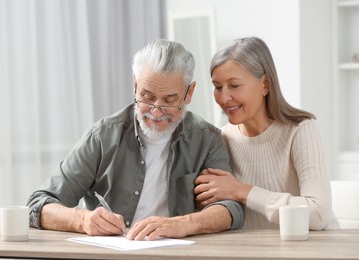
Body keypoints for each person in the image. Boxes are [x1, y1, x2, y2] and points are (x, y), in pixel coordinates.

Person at [27, 39, 244, 241]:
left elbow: (230, 209)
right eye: (147, 97)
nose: (156, 112)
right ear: (134, 85)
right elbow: (38, 204)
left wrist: (182, 224)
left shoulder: (207, 140)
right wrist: (82, 220)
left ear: (189, 93)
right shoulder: (102, 137)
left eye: (169, 100)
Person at [194, 37, 337, 230]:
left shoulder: (300, 129)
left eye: (234, 85)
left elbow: (318, 215)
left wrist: (242, 191)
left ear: (265, 85)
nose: (224, 97)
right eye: (218, 87)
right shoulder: (220, 140)